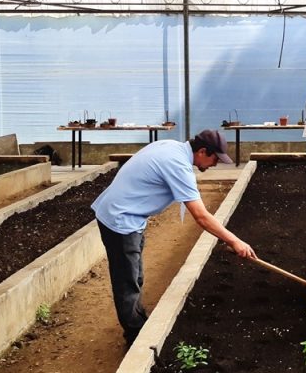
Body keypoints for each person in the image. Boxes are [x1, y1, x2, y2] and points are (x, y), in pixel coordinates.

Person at [91, 130, 257, 347]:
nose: (215, 164)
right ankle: (137, 338)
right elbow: (201, 216)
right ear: (202, 151)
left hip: (128, 214)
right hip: (121, 219)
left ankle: (138, 320)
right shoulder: (177, 164)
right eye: (215, 158)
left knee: (135, 274)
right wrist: (234, 241)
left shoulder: (171, 146)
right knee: (127, 282)